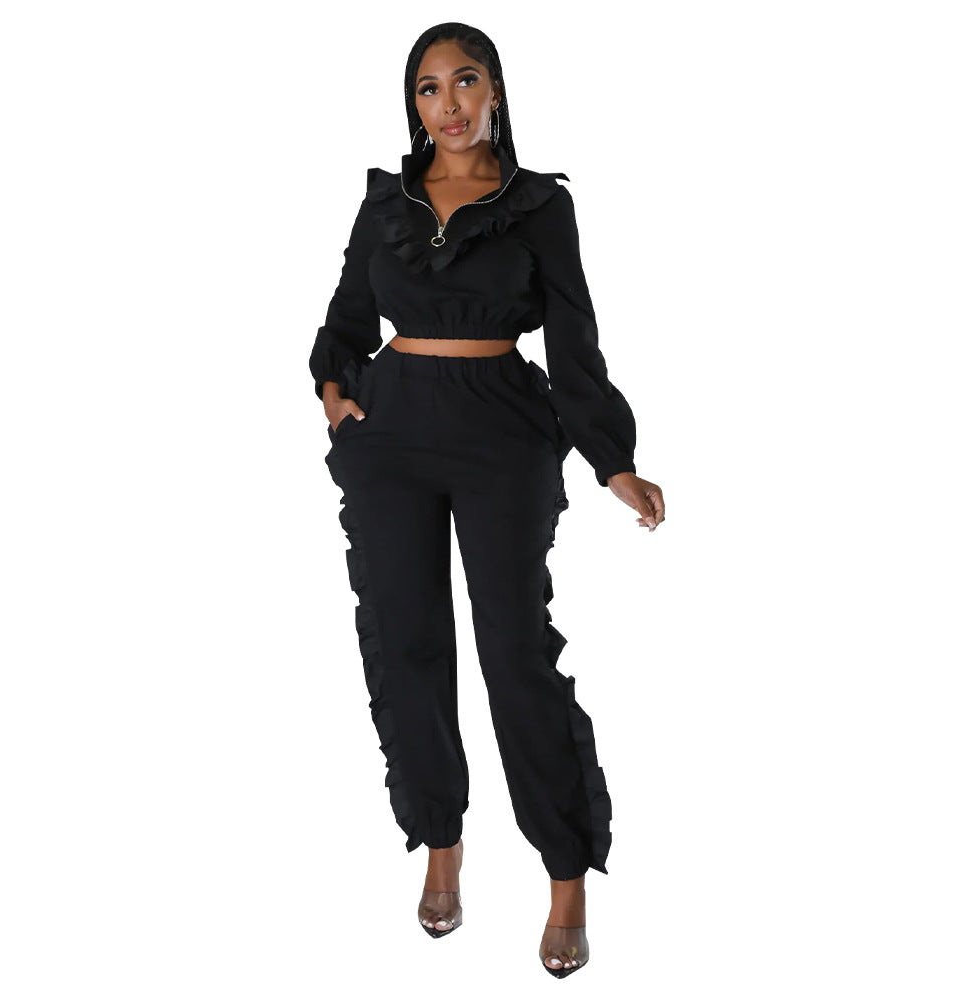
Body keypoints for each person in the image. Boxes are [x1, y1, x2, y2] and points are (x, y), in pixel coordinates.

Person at [308, 22, 665, 977]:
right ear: (413, 105)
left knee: (515, 654)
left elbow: (575, 339)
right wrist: (337, 390)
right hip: (392, 434)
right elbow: (347, 316)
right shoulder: (385, 203)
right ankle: (440, 841)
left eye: (465, 81)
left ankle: (565, 871)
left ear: (496, 90)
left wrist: (612, 459)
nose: (449, 105)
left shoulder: (538, 204)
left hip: (502, 430)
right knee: (407, 642)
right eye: (429, 89)